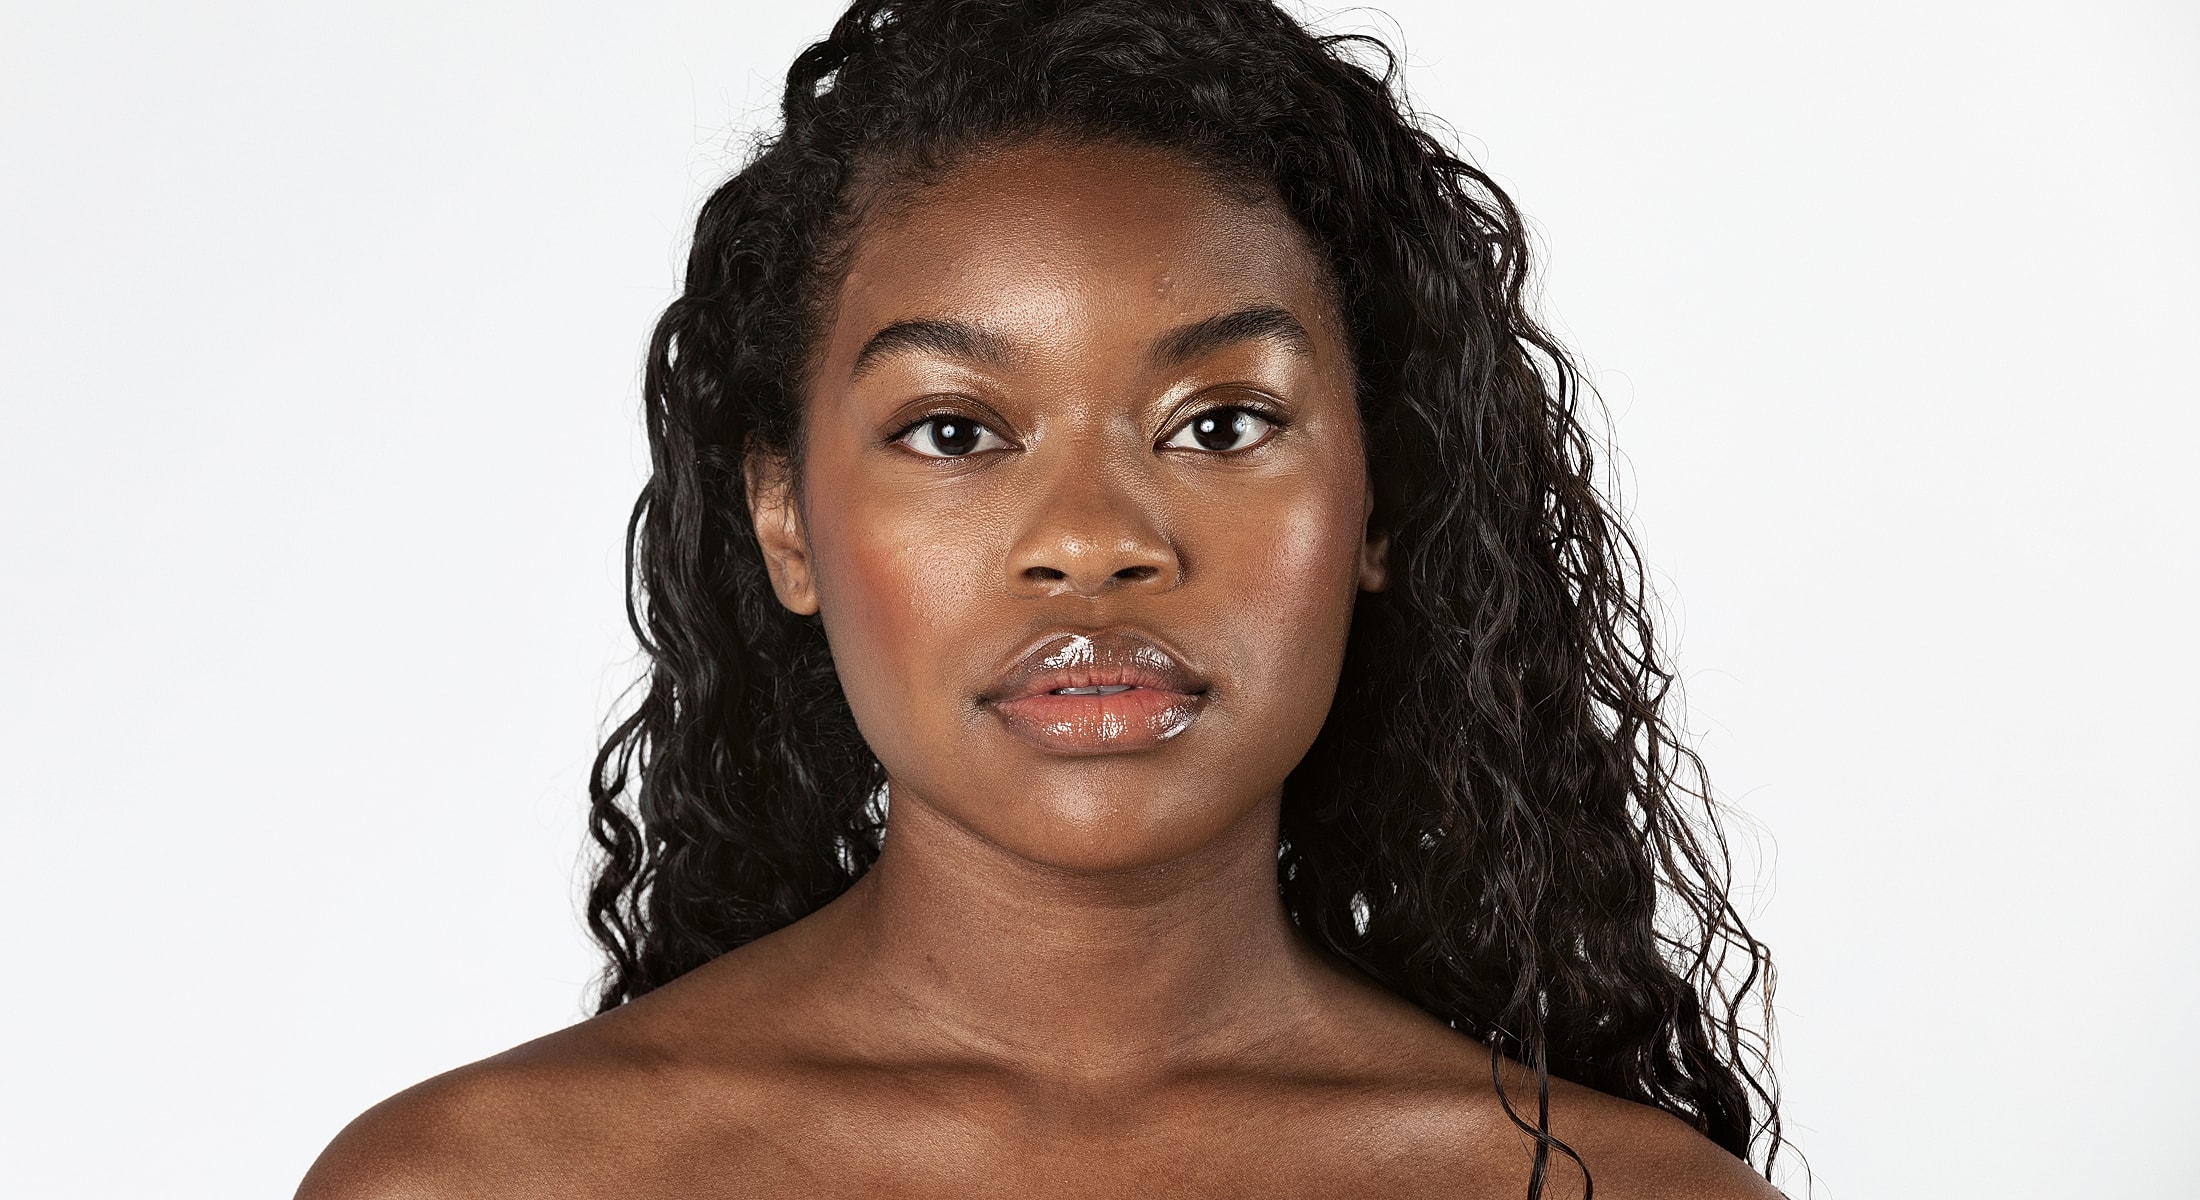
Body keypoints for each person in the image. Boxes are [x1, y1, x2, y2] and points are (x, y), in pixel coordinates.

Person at [298, 1, 1786, 1196]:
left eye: (1220, 425)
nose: (1092, 542)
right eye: (954, 430)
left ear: (1381, 502)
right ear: (785, 520)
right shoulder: (479, 1184)